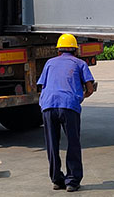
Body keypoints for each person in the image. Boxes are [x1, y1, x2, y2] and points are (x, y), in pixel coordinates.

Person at [37, 33, 96, 192]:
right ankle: (72, 181)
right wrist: (79, 97)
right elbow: (90, 88)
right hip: (69, 106)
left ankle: (57, 180)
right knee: (73, 143)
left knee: (52, 144)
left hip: (48, 106)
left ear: (58, 51)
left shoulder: (49, 63)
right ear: (75, 50)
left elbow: (43, 86)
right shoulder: (80, 63)